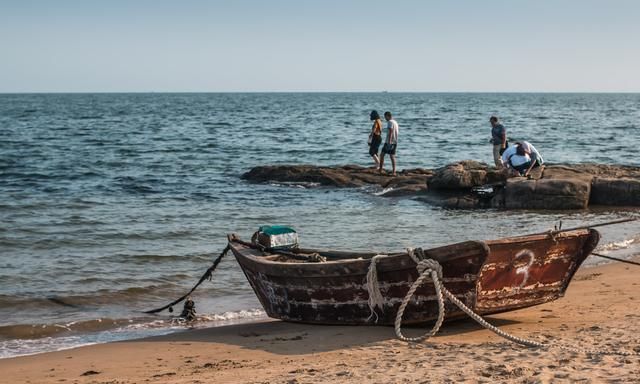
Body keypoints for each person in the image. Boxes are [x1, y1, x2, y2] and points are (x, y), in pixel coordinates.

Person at [379, 111, 399, 176]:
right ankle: (394, 171)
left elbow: (390, 131)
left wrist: (389, 142)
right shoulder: (395, 122)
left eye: (385, 117)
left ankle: (380, 170)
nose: (385, 118)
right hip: (395, 141)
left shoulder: (390, 122)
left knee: (382, 155)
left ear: (388, 116)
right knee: (392, 156)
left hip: (389, 141)